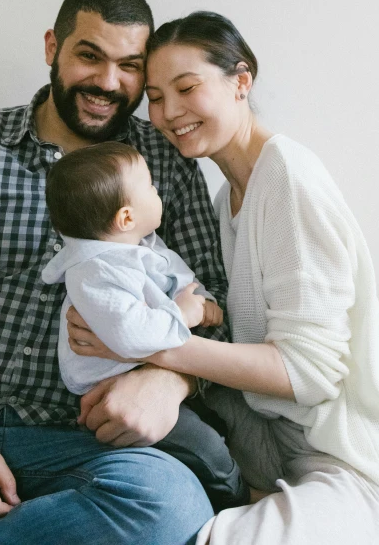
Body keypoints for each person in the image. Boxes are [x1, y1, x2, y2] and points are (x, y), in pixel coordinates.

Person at [0, 0, 230, 545]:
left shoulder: (164, 164)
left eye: (129, 66)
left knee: (171, 507)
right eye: (90, 55)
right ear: (51, 47)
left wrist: (170, 381)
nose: (108, 82)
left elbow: (216, 302)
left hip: (86, 442)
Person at [67, 10, 379, 545]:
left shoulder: (287, 178)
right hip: (276, 465)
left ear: (241, 81)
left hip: (359, 467)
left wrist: (148, 343)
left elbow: (309, 373)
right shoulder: (226, 198)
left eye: (187, 88)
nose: (168, 113)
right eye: (156, 97)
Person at [42, 141, 249, 511]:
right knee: (205, 449)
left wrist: (202, 299)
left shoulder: (138, 245)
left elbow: (174, 275)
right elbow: (132, 333)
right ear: (125, 217)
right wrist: (186, 315)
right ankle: (237, 497)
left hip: (147, 374)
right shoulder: (96, 272)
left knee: (215, 425)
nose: (157, 192)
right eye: (151, 187)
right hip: (112, 388)